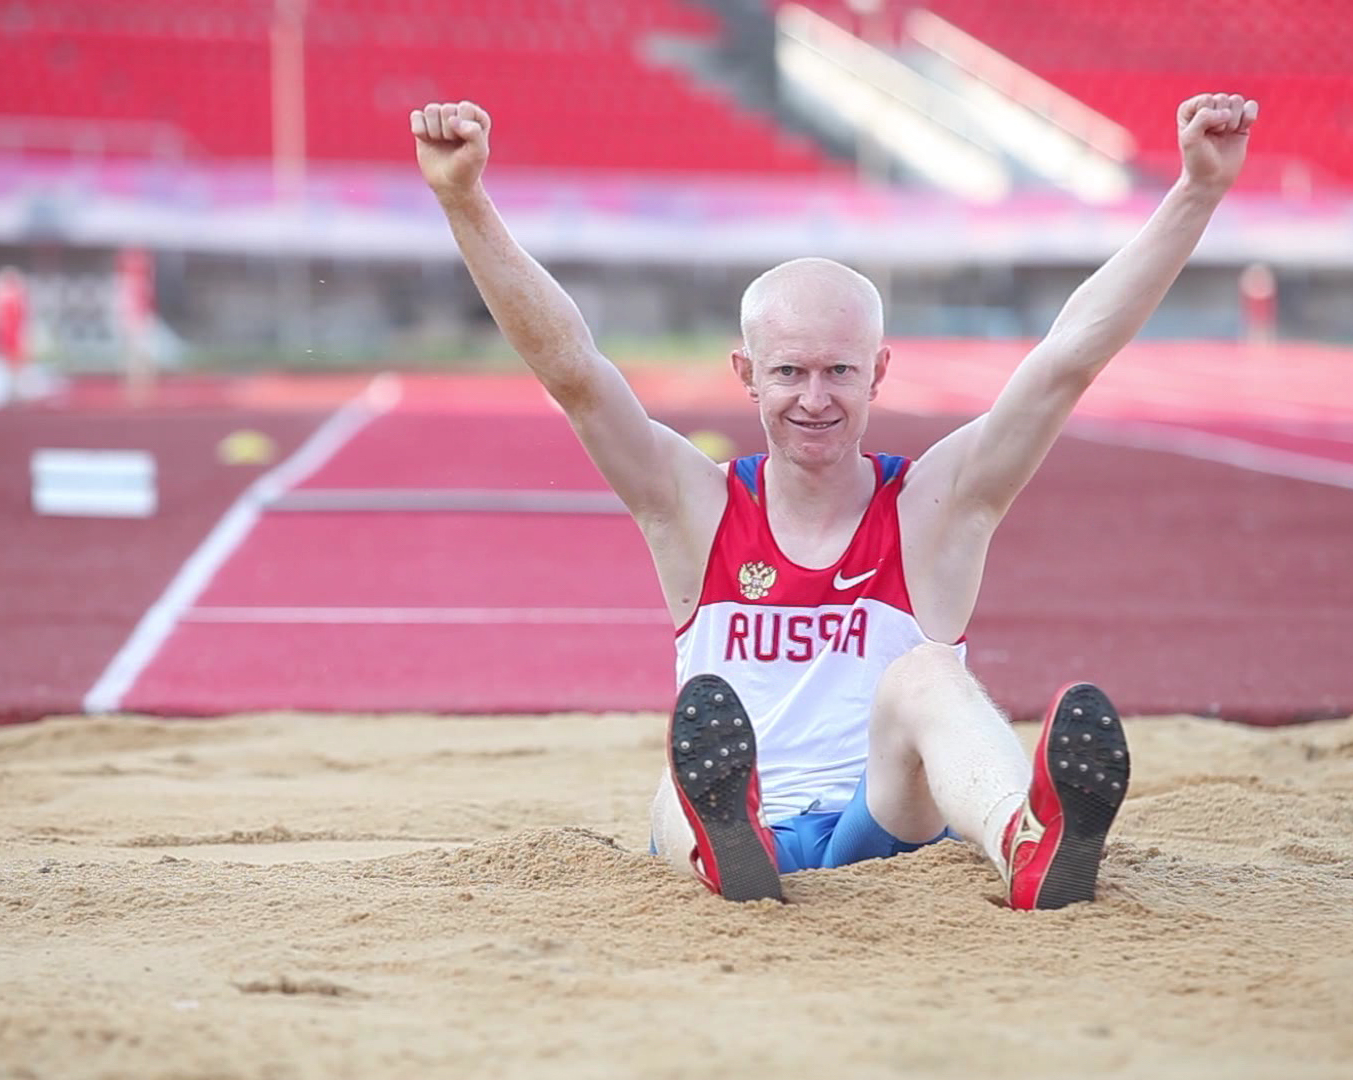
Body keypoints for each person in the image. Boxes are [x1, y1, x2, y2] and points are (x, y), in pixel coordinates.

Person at [412, 91, 1257, 908]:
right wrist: (465, 201)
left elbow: (1065, 360)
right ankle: (726, 841)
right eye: (788, 372)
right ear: (746, 376)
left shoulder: (934, 509)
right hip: (735, 823)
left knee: (927, 673)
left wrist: (1197, 190)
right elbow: (577, 377)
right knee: (677, 779)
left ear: (878, 372)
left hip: (883, 823)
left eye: (838, 371)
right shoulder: (692, 508)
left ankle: (1025, 845)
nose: (814, 398)